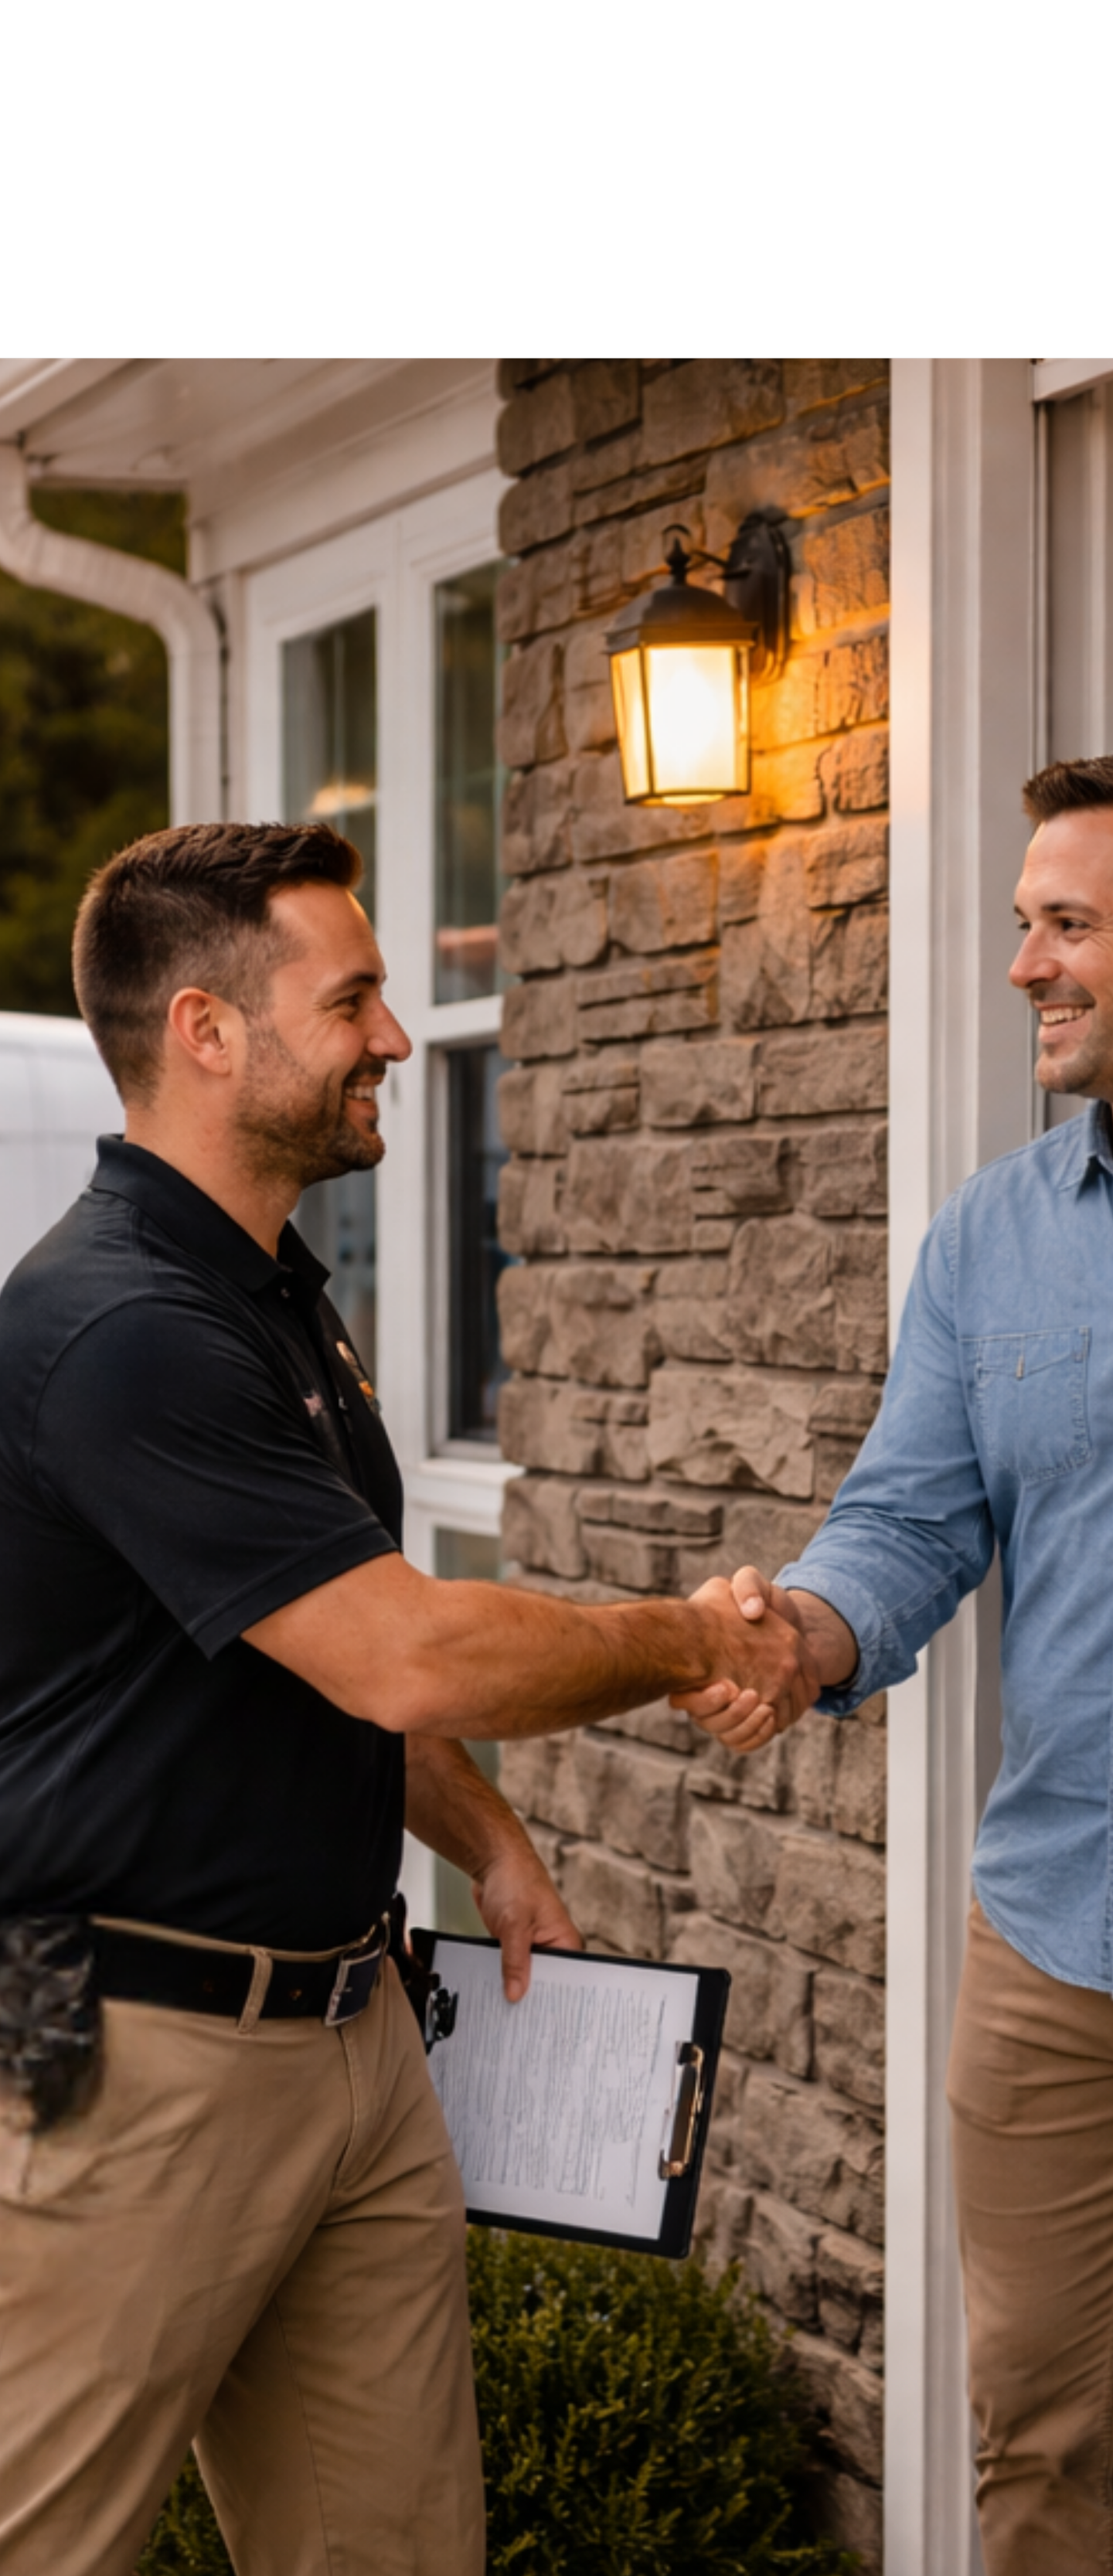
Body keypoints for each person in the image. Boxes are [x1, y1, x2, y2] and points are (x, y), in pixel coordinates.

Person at [0, 821, 812, 2576]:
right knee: (0, 2552)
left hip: (351, 2038)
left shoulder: (274, 1298)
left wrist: (486, 1839)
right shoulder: (123, 1325)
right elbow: (403, 1648)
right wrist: (686, 1636)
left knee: (385, 2550)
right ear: (207, 1033)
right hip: (134, 2057)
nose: (393, 1034)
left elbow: (309, 1649)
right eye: (354, 995)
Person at [689, 755, 1113, 2575]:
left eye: (1067, 924)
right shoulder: (992, 1236)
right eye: (1022, 923)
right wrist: (805, 1629)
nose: (1021, 965)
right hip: (1056, 1943)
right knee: (1042, 2437)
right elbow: (910, 1521)